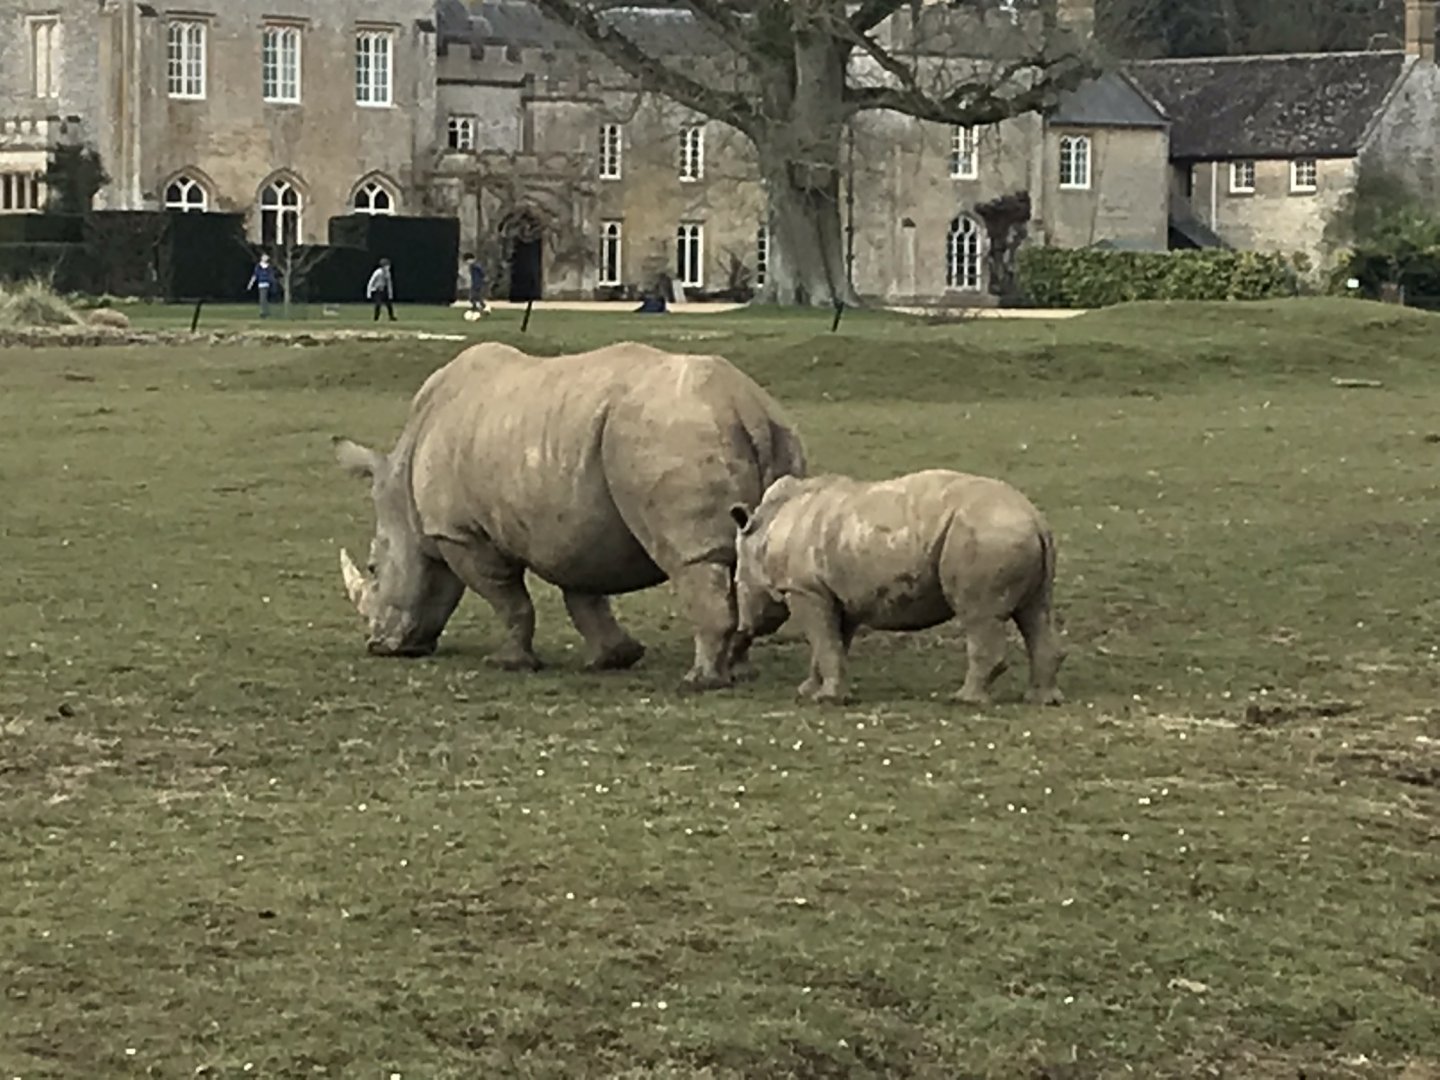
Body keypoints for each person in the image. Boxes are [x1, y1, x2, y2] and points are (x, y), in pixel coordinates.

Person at [367, 257, 396, 322]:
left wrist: (390, 294)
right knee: (378, 304)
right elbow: (371, 282)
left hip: (383, 289)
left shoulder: (388, 273)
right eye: (386, 265)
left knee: (389, 304)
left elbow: (389, 284)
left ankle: (391, 317)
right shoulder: (378, 272)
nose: (388, 267)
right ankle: (376, 318)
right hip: (376, 290)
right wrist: (368, 293)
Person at [247, 253, 275, 318]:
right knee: (262, 298)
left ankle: (264, 312)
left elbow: (271, 276)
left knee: (264, 298)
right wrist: (250, 284)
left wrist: (272, 283)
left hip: (266, 284)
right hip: (261, 284)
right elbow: (255, 275)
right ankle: (264, 312)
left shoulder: (269, 267)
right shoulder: (258, 266)